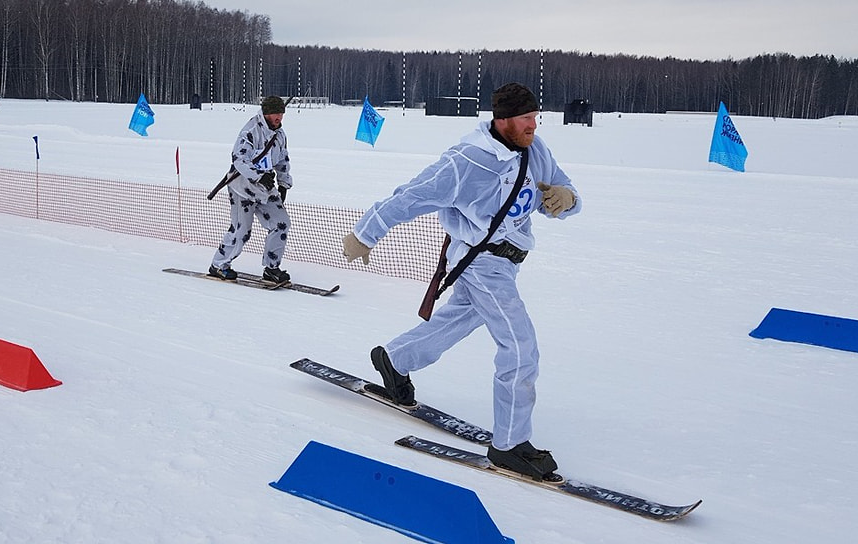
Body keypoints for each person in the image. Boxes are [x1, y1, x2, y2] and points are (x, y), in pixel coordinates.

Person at [342, 82, 582, 480]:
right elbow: (411, 195)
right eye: (526, 118)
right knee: (520, 345)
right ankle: (510, 445)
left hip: (508, 262)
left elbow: (564, 186)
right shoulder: (467, 161)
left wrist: (567, 198)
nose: (534, 125)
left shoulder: (535, 150)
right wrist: (366, 233)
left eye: (536, 117)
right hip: (480, 262)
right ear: (502, 119)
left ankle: (395, 359)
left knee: (459, 318)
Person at [209, 96, 293, 283]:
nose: (279, 117)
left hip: (265, 189)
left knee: (281, 224)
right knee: (242, 231)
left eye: (281, 113)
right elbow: (239, 160)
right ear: (265, 113)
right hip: (242, 188)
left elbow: (282, 159)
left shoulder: (280, 135)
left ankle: (272, 269)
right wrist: (258, 176)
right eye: (274, 113)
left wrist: (284, 183)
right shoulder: (250, 131)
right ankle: (219, 265)